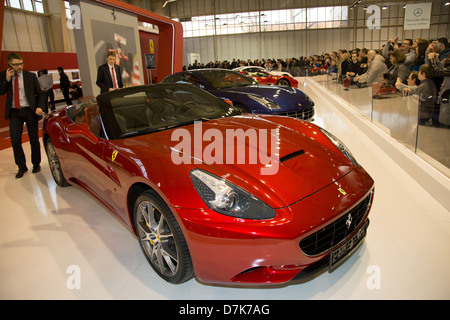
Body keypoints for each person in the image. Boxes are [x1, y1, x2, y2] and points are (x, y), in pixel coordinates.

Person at [0, 52, 45, 178]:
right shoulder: (4, 76)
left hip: (29, 111)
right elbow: (1, 91)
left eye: (21, 63)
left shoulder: (30, 76)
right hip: (14, 113)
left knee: (34, 140)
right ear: (9, 64)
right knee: (15, 141)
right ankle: (21, 166)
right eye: (16, 64)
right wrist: (7, 80)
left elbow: (40, 94)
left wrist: (40, 107)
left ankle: (36, 164)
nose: (19, 66)